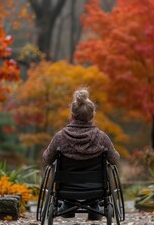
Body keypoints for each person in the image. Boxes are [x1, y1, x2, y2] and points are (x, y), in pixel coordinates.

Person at [42, 87, 120, 220]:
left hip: (66, 189)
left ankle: (67, 205)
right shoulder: (102, 137)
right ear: (92, 115)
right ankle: (94, 207)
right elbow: (114, 160)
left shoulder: (60, 137)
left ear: (72, 115)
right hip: (96, 189)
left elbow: (47, 159)